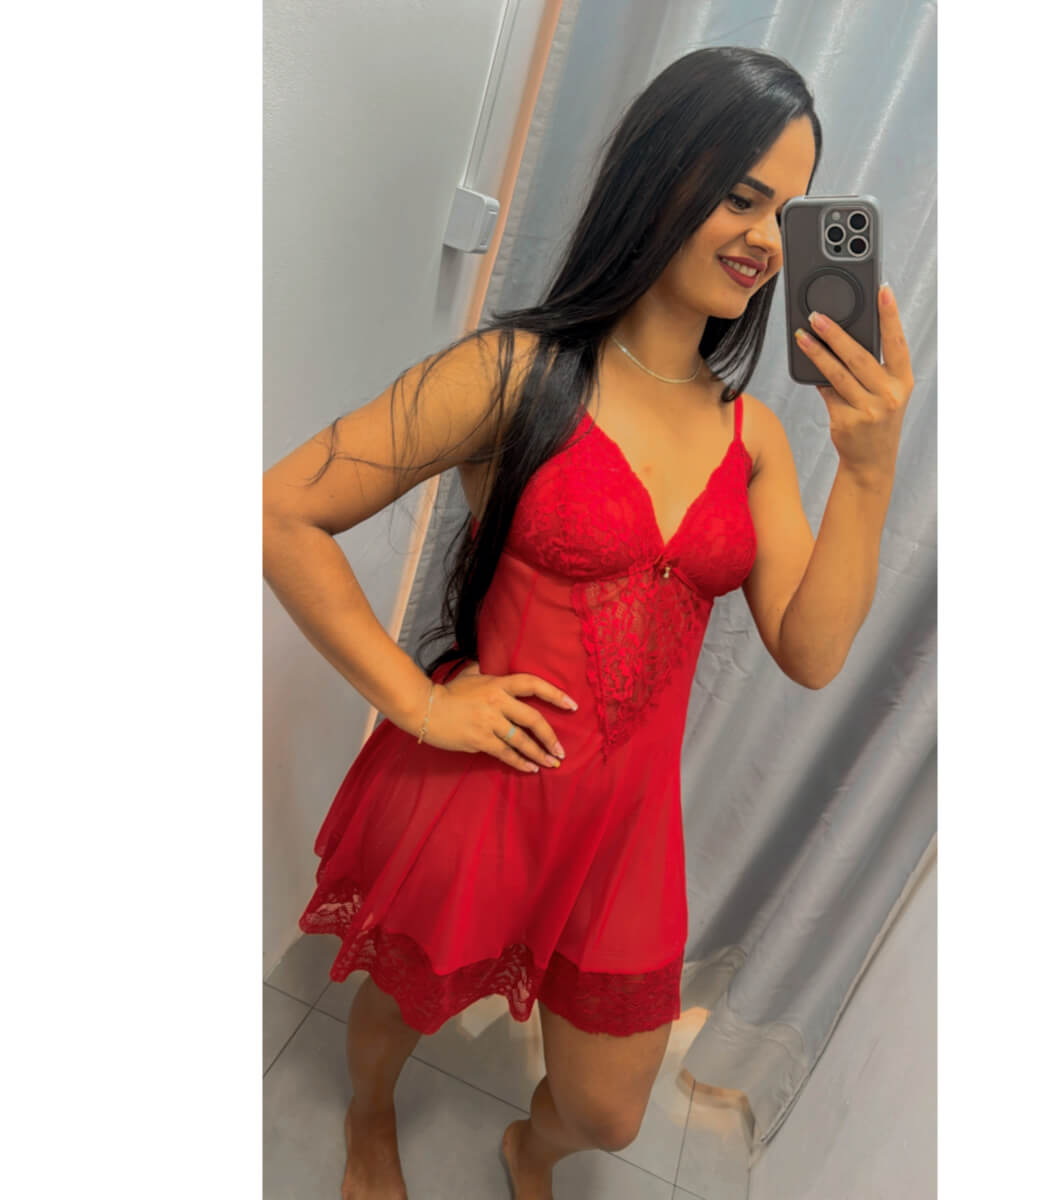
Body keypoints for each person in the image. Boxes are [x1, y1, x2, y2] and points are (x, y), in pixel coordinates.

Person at [263, 44, 913, 1200]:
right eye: (741, 194)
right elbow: (284, 513)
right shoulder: (513, 372)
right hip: (483, 788)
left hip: (628, 833)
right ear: (661, 175)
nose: (767, 237)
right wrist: (418, 703)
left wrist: (867, 467)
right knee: (408, 999)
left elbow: (812, 653)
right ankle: (369, 1117)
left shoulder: (755, 440)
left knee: (609, 1111)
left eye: (788, 210)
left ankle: (531, 1146)